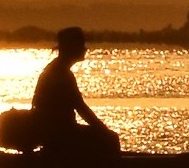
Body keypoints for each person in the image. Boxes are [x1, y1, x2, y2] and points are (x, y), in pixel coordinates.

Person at [26, 26, 120, 156]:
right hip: (59, 133)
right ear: (71, 47)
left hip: (55, 130)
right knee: (110, 139)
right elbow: (80, 107)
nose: (85, 49)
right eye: (81, 44)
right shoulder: (61, 73)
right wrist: (104, 131)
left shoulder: (55, 69)